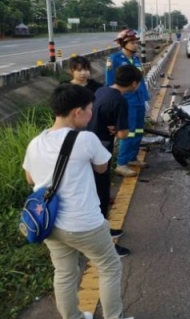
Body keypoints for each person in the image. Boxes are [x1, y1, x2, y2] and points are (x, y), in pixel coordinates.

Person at [22, 84, 131, 319]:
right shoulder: (86, 139)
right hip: (85, 224)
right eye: (90, 109)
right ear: (77, 112)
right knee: (109, 266)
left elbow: (30, 178)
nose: (92, 114)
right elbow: (102, 168)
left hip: (50, 223)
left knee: (64, 273)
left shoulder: (35, 142)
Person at [88, 65, 143, 258]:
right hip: (100, 149)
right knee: (101, 195)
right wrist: (118, 130)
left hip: (88, 143)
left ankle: (104, 230)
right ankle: (104, 246)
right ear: (134, 83)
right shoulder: (120, 101)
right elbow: (123, 133)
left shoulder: (102, 90)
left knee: (97, 191)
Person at [106, 29, 150, 177]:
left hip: (138, 101)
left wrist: (145, 99)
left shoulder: (136, 60)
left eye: (136, 42)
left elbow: (141, 82)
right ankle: (121, 163)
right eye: (132, 42)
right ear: (123, 44)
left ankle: (132, 158)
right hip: (125, 102)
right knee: (127, 132)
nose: (135, 44)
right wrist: (114, 103)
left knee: (138, 131)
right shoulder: (114, 59)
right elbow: (110, 83)